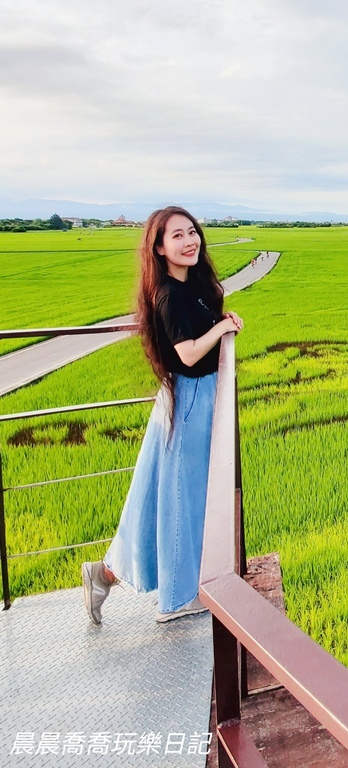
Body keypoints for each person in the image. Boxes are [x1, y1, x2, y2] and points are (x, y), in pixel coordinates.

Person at [81, 206, 243, 624]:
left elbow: (198, 334)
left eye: (192, 232)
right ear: (158, 246)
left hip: (191, 400)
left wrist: (222, 319)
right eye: (177, 236)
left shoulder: (193, 286)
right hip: (188, 402)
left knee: (155, 498)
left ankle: (103, 574)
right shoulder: (169, 294)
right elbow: (187, 352)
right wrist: (222, 330)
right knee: (181, 501)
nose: (190, 241)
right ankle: (175, 599)